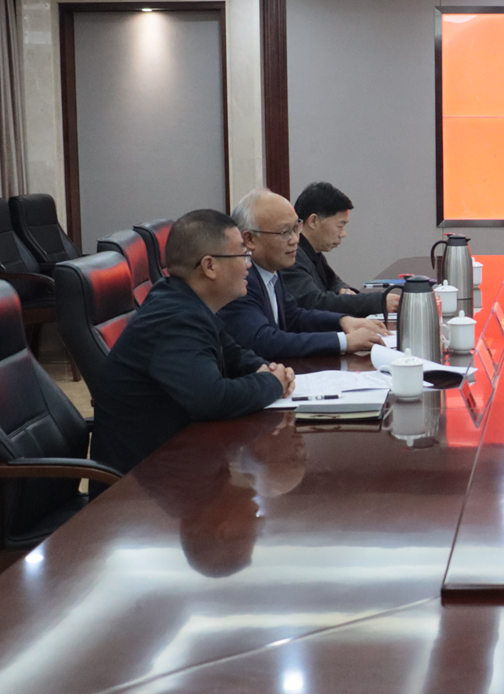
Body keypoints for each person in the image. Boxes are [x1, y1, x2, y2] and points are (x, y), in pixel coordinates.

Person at [92, 209, 294, 475]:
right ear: (209, 266)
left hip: (174, 465)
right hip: (141, 483)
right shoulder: (175, 319)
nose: (249, 264)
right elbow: (213, 399)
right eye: (242, 254)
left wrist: (260, 367)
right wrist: (272, 382)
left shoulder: (184, 301)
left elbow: (232, 352)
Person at [220, 189, 387, 360]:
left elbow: (294, 317)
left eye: (296, 229)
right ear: (250, 239)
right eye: (285, 232)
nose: (295, 240)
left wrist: (343, 321)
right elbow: (264, 341)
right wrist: (343, 341)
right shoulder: (239, 280)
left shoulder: (270, 270)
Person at [284, 181, 400, 319]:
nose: (344, 234)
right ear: (313, 221)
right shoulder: (292, 255)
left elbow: (334, 282)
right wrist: (379, 302)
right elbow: (315, 303)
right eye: (340, 226)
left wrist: (343, 290)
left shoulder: (312, 252)